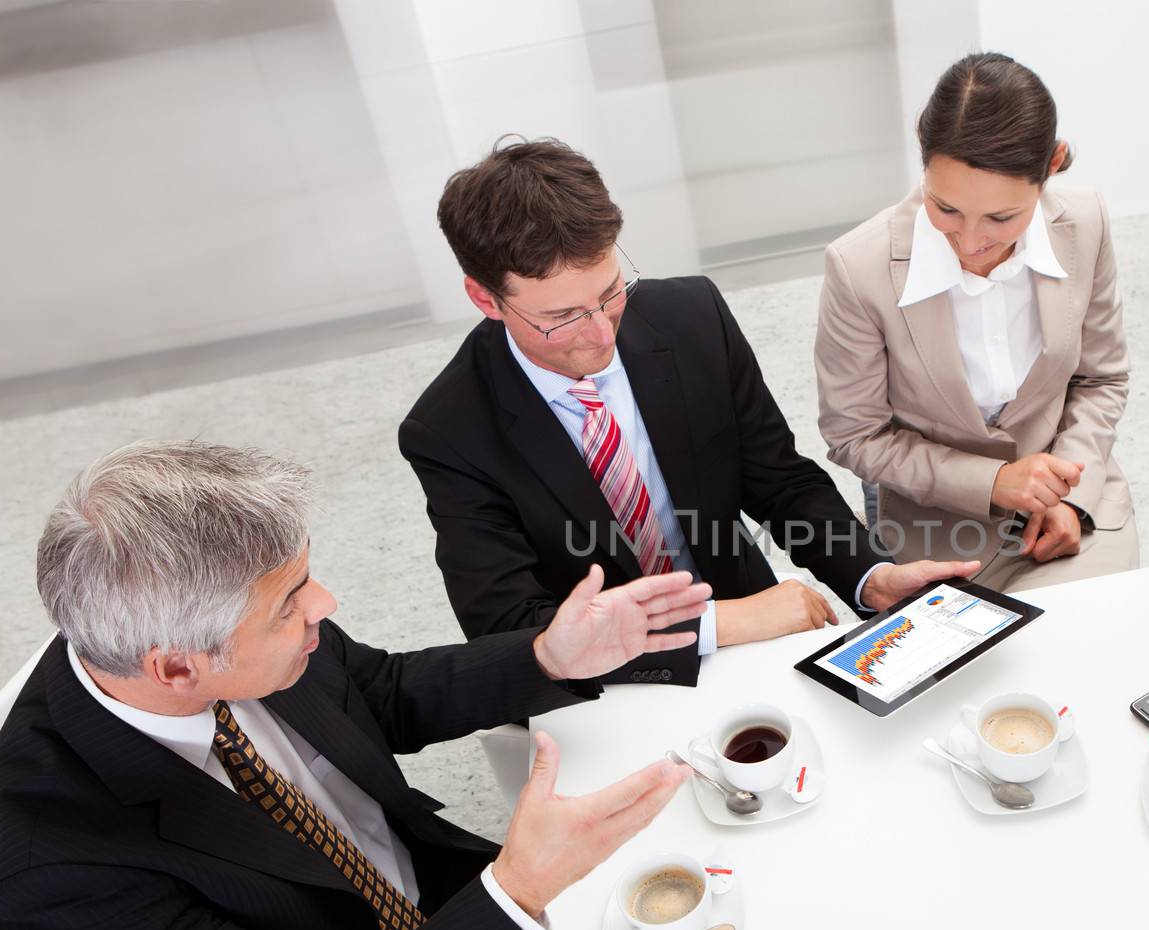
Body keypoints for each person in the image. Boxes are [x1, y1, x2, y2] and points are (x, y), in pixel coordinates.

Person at [0, 440, 711, 930]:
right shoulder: (49, 868)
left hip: (435, 901)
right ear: (176, 669)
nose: (325, 604)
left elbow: (380, 691)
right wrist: (518, 888)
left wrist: (547, 656)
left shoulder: (231, 624)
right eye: (289, 606)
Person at [400, 139, 976, 688]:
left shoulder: (691, 316)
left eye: (610, 292)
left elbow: (779, 480)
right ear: (485, 299)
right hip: (607, 683)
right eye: (563, 316)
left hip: (745, 611)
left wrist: (869, 578)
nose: (601, 334)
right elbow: (509, 626)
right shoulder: (449, 432)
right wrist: (720, 625)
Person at [813, 52, 1137, 592]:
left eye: (1002, 218)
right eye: (946, 209)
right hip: (937, 539)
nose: (969, 241)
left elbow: (1101, 379)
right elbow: (855, 434)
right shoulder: (858, 268)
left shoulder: (1085, 221)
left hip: (1072, 513)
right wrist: (996, 483)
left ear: (1052, 163)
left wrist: (1070, 496)